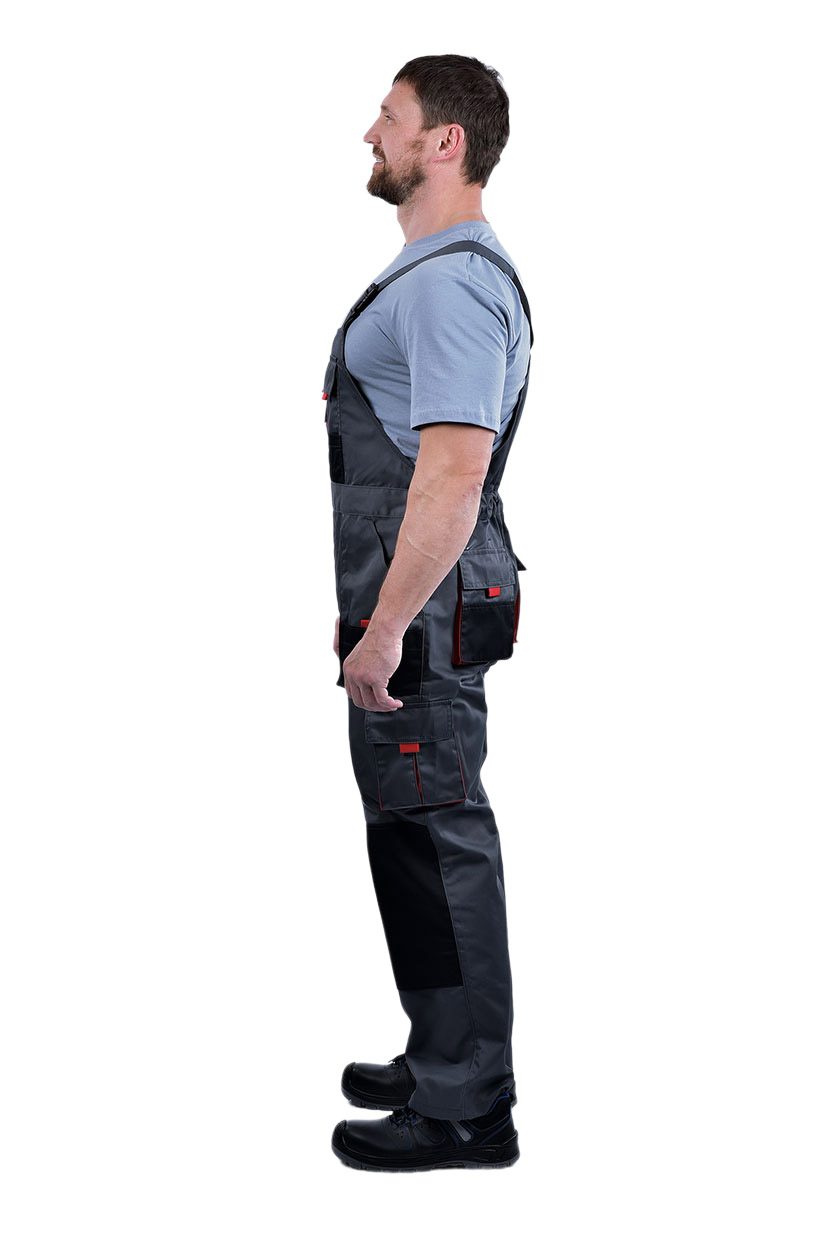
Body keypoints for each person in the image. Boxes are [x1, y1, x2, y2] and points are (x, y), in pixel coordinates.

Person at [323, 54, 534, 1172]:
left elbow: (452, 476)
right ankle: (441, 1051)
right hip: (413, 595)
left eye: (390, 116)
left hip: (426, 604)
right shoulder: (434, 272)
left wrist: (386, 628)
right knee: (411, 829)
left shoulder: (451, 285)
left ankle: (468, 1106)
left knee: (439, 833)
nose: (371, 132)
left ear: (443, 142)